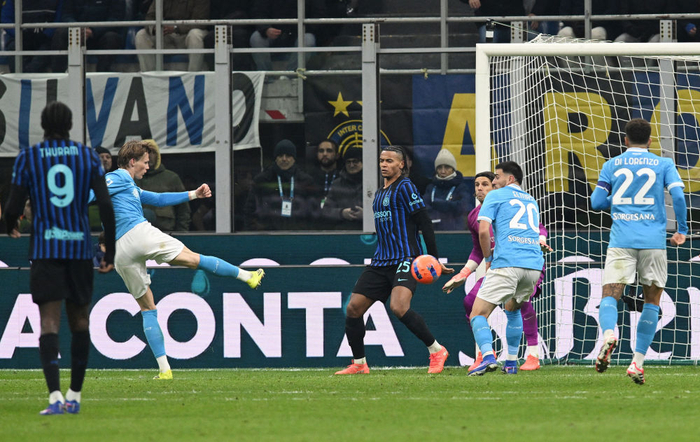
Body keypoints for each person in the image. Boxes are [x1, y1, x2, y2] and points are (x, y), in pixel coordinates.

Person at [94, 140, 264, 379]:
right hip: (137, 233)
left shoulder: (129, 186)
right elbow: (94, 191)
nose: (147, 167)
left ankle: (164, 370)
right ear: (132, 162)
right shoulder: (119, 176)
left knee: (147, 308)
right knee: (194, 259)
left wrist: (193, 194)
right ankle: (247, 276)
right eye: (145, 163)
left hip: (120, 250)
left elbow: (158, 199)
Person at [2, 101, 116, 415]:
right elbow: (105, 205)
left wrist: (10, 224)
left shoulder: (29, 157)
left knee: (49, 323)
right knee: (80, 321)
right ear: (70, 125)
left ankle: (54, 397)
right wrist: (110, 250)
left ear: (43, 125)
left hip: (46, 249)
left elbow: (13, 204)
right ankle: (74, 395)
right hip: (79, 249)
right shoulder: (87, 156)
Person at [335, 145, 454, 375]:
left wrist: (433, 258)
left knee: (399, 307)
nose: (384, 164)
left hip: (405, 259)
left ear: (401, 164)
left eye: (389, 161)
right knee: (353, 308)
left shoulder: (405, 186)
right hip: (381, 261)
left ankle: (437, 350)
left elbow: (424, 221)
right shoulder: (380, 193)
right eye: (382, 160)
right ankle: (359, 364)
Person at [590, 118, 687, 385]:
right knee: (652, 301)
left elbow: (596, 202)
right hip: (653, 242)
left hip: (621, 240)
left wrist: (619, 197)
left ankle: (609, 334)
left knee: (610, 294)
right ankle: (637, 363)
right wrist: (682, 229)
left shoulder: (612, 164)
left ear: (625, 140)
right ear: (650, 140)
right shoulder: (663, 163)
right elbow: (679, 196)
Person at [443, 171, 551, 372]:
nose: (480, 188)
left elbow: (539, 227)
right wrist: (464, 273)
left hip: (517, 261)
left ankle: (532, 353)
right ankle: (490, 354)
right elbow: (478, 250)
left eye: (486, 184)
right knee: (471, 302)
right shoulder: (474, 216)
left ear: (495, 187)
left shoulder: (507, 204)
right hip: (500, 265)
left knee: (517, 305)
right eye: (477, 184)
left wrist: (541, 239)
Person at [244, 139, 319, 231]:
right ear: (276, 158)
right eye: (280, 156)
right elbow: (250, 211)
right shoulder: (262, 180)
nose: (284, 159)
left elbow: (314, 213)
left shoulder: (306, 181)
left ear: (294, 159)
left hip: (298, 235)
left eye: (288, 156)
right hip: (268, 235)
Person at [249, 0, 327, 72]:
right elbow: (258, 12)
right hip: (273, 33)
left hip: (301, 32)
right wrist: (266, 29)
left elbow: (319, 14)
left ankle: (291, 75)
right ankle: (265, 76)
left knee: (308, 40)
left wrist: (301, 29)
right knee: (256, 38)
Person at [50, 0, 125, 73]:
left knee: (111, 37)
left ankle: (102, 75)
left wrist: (93, 31)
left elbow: (116, 19)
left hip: (100, 35)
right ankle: (58, 75)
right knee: (60, 33)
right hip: (76, 33)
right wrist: (77, 28)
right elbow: (66, 15)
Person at [134, 0, 210, 72]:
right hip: (166, 34)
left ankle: (194, 77)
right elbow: (150, 17)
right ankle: (150, 77)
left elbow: (200, 22)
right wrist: (154, 28)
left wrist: (176, 28)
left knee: (195, 35)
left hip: (187, 35)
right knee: (141, 35)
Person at [134, 139, 191, 232]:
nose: (149, 156)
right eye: (144, 153)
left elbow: (183, 210)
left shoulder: (171, 178)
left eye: (152, 152)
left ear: (158, 155)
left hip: (166, 232)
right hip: (137, 232)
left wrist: (181, 233)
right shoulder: (131, 178)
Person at [1, 0, 63, 73]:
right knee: (13, 46)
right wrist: (20, 34)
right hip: (20, 38)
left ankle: (24, 76)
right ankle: (19, 77)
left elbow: (59, 19)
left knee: (48, 48)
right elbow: (5, 19)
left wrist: (46, 34)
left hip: (45, 39)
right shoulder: (12, 1)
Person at [422, 149, 471, 231]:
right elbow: (424, 207)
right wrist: (449, 206)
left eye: (447, 167)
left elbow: (463, 207)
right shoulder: (431, 188)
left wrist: (439, 204)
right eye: (439, 168)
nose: (443, 171)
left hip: (455, 232)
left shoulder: (461, 187)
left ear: (453, 169)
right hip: (433, 231)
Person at [203, 0, 254, 70]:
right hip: (220, 27)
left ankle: (241, 72)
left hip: (244, 27)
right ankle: (214, 71)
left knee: (239, 36)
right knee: (210, 38)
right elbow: (213, 17)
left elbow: (249, 13)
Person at [321, 146, 362, 230]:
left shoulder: (377, 182)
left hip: (373, 232)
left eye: (355, 161)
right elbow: (326, 211)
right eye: (348, 162)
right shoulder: (337, 184)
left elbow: (388, 212)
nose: (351, 165)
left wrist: (368, 215)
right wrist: (341, 213)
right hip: (343, 232)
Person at [308, 139, 340, 209]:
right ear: (317, 155)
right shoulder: (309, 178)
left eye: (329, 151)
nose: (325, 154)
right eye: (321, 151)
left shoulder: (342, 177)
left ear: (337, 155)